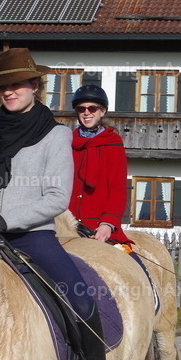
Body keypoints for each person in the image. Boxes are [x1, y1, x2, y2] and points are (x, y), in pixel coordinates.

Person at [0, 48, 116, 360]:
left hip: (32, 236)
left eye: (16, 85)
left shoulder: (54, 135)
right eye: (3, 87)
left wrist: (5, 220)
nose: (9, 92)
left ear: (35, 86)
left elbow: (56, 198)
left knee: (79, 297)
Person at [67, 84, 132, 247]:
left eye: (92, 108)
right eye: (81, 108)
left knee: (130, 267)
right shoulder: (67, 142)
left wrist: (107, 223)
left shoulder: (113, 144)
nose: (86, 112)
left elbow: (118, 189)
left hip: (99, 227)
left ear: (102, 111)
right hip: (67, 225)